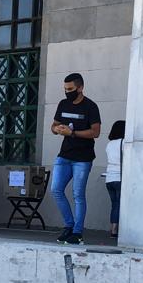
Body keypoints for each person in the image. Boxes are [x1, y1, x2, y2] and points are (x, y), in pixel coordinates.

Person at [49, 73, 102, 245]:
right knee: (56, 189)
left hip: (83, 158)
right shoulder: (63, 104)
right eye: (65, 89)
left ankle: (78, 232)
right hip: (64, 154)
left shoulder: (90, 107)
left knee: (78, 194)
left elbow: (96, 132)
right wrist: (58, 129)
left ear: (80, 88)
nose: (67, 92)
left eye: (70, 89)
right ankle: (69, 226)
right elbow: (53, 125)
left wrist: (72, 133)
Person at [104, 121, 124, 239]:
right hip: (120, 177)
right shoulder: (124, 142)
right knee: (119, 204)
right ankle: (115, 229)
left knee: (114, 204)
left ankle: (112, 227)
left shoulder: (109, 144)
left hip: (109, 178)